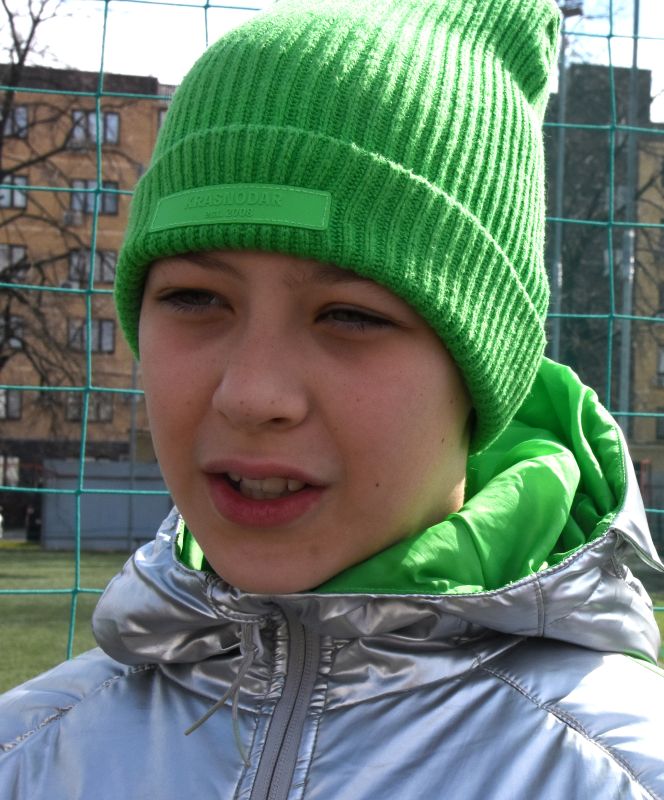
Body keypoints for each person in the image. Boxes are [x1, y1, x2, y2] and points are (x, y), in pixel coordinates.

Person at [2, 0, 664, 797]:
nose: (252, 395)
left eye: (350, 315)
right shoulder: (32, 755)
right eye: (194, 299)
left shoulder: (619, 775)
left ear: (484, 370)